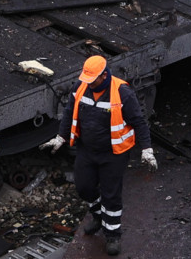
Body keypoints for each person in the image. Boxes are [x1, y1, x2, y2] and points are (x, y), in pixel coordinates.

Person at [40, 55, 157, 256]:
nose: (88, 83)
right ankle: (98, 216)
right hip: (87, 150)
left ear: (104, 76)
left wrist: (147, 149)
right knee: (84, 187)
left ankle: (112, 235)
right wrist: (61, 137)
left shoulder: (122, 93)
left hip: (113, 154)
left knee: (111, 194)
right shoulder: (81, 86)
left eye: (92, 79)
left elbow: (139, 122)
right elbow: (69, 112)